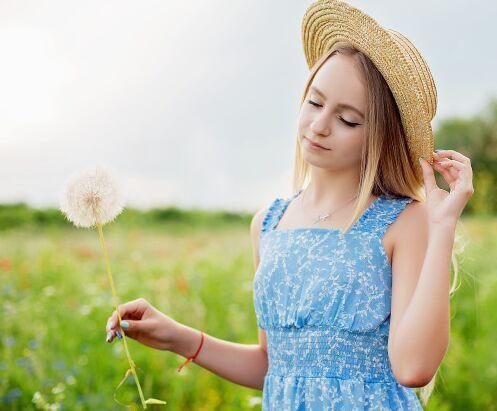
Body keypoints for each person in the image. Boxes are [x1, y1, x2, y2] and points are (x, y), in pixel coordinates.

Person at [105, 0, 474, 409]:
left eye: (348, 119)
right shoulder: (268, 224)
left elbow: (412, 368)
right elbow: (274, 367)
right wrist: (178, 336)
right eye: (315, 103)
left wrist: (442, 229)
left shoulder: (404, 221)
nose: (319, 125)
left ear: (380, 137)